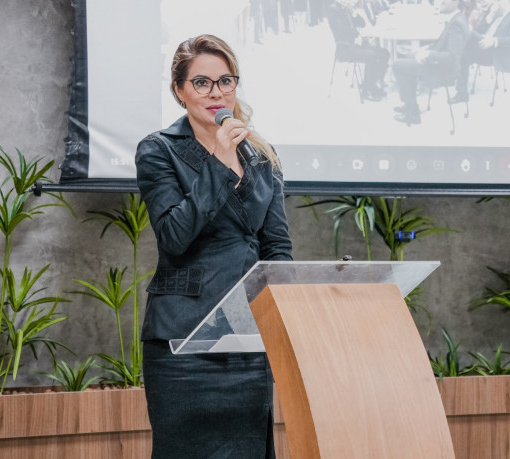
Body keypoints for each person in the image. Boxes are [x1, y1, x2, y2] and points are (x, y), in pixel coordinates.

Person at [135, 34, 293, 459]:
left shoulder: (262, 155)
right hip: (182, 341)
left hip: (246, 337)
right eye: (202, 82)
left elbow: (276, 247)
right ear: (179, 90)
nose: (216, 92)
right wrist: (220, 163)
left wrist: (282, 318)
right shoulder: (159, 150)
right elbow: (173, 234)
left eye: (225, 81)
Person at [391, 0, 470, 124]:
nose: (441, 2)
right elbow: (441, 43)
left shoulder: (456, 24)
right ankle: (410, 105)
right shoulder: (456, 18)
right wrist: (426, 48)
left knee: (397, 65)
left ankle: (412, 114)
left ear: (456, 2)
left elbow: (452, 57)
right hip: (440, 65)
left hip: (444, 72)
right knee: (407, 56)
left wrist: (428, 54)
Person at [451, 0, 510, 103]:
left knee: (466, 32)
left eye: (500, 1)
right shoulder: (496, 16)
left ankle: (447, 58)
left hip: (498, 53)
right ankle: (462, 94)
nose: (497, 3)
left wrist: (494, 40)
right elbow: (480, 30)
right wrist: (490, 17)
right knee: (464, 54)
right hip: (484, 48)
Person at [325, 0, 390, 101]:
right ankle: (367, 89)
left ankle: (371, 83)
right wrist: (356, 35)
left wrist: (353, 13)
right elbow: (340, 30)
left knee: (384, 53)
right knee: (372, 56)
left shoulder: (346, 8)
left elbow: (362, 23)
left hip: (356, 44)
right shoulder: (333, 9)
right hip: (345, 48)